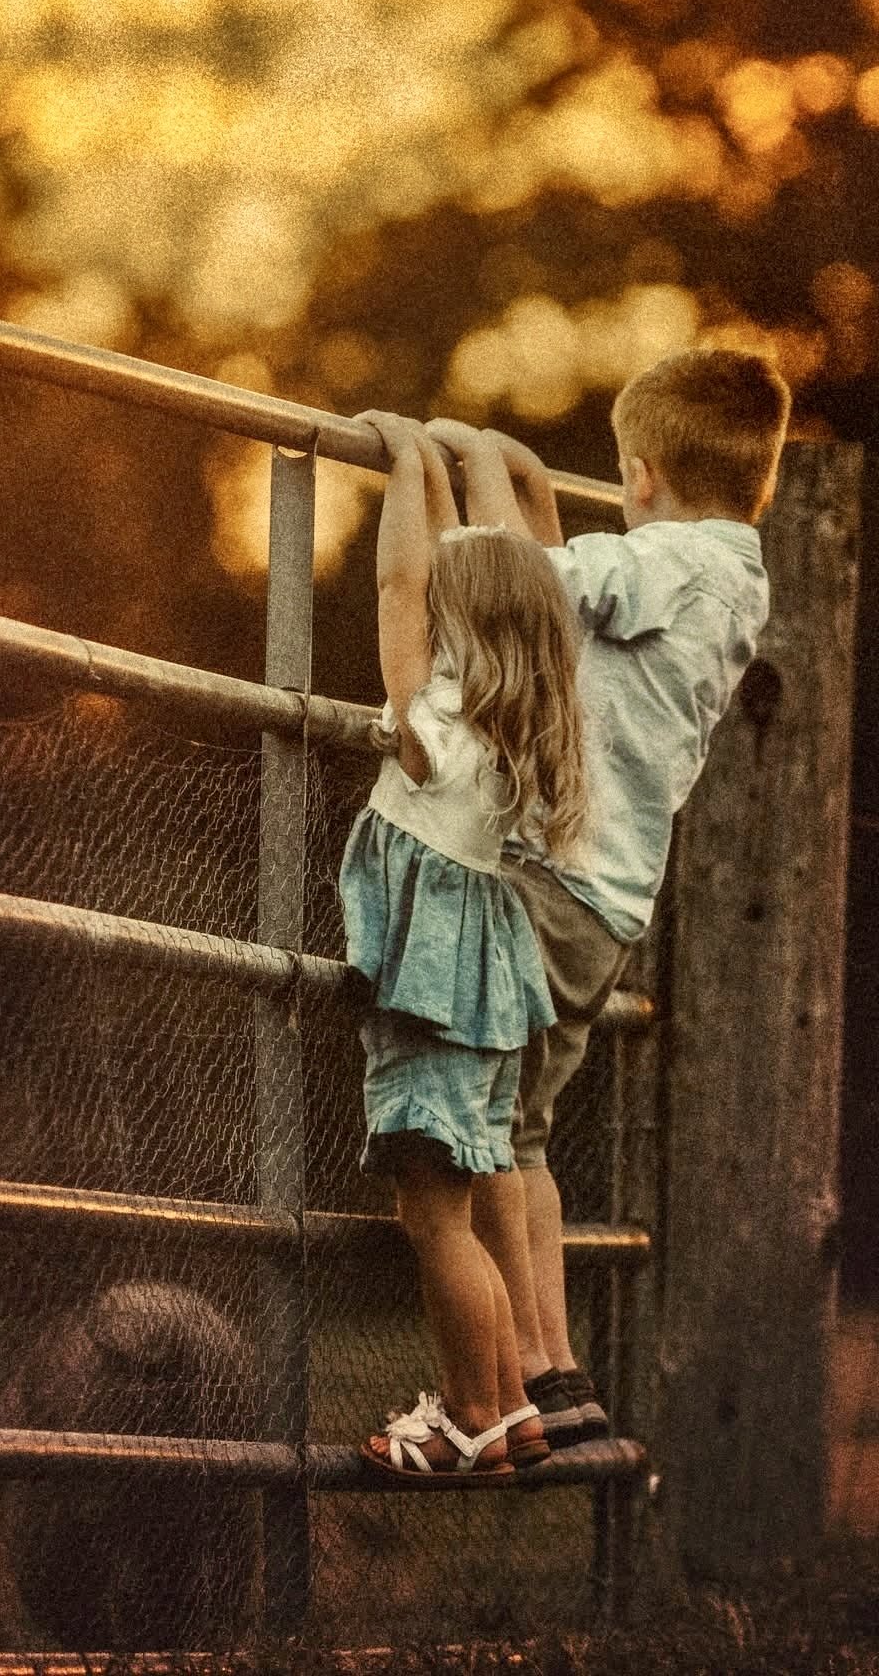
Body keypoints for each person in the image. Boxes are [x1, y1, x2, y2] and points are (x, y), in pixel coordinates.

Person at [427, 347, 790, 1447]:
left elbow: (522, 581)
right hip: (607, 903)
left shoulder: (669, 563)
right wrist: (524, 480)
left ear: (639, 476)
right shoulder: (731, 576)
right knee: (522, 1130)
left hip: (544, 880)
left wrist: (454, 465)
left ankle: (521, 1366)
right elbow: (565, 594)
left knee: (479, 1123)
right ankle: (561, 1371)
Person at [341, 410, 593, 1484]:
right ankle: (508, 1416)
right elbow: (448, 580)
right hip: (483, 987)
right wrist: (439, 468)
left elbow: (403, 587)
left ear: (456, 633)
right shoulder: (513, 722)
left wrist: (403, 461)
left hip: (434, 998)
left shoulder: (431, 729)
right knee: (451, 1208)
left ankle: (473, 1414)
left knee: (437, 1221)